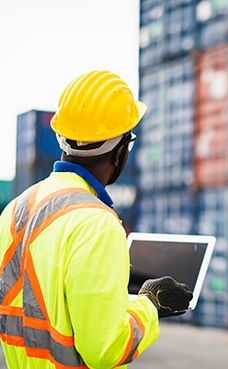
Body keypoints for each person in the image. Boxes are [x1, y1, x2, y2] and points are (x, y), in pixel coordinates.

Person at [0, 70, 193, 368]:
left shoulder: (15, 208)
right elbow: (105, 350)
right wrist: (151, 303)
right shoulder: (97, 223)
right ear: (120, 152)